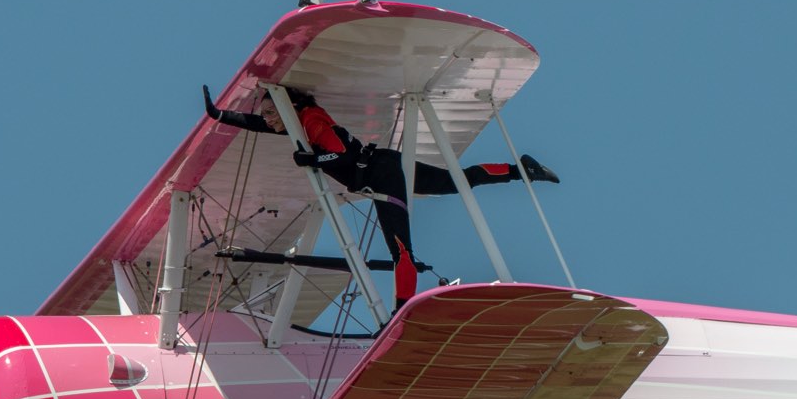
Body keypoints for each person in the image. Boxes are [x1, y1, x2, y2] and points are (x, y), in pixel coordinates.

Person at [202, 86, 559, 307]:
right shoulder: (292, 121)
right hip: (383, 166)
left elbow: (339, 154)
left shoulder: (310, 122)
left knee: (401, 249)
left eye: (269, 112)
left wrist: (312, 158)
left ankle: (401, 310)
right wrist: (219, 115)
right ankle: (521, 169)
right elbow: (258, 124)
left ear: (286, 108)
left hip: (382, 174)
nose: (266, 119)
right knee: (456, 182)